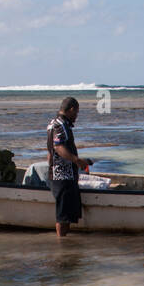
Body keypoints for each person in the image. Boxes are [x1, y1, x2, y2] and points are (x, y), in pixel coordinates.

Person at [46, 97, 92, 237]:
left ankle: (64, 243)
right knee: (63, 216)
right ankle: (62, 244)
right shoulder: (61, 125)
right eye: (76, 113)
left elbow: (50, 152)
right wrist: (77, 160)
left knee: (65, 215)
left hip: (60, 175)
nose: (76, 117)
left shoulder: (53, 124)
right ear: (71, 109)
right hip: (62, 176)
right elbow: (58, 147)